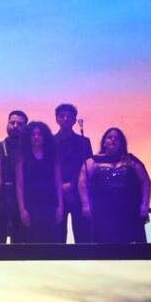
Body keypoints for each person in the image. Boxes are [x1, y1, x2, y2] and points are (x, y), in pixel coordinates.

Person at [79, 129, 151, 244]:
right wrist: (85, 205)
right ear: (104, 142)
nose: (113, 140)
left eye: (117, 138)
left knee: (131, 247)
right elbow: (82, 183)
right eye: (110, 137)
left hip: (129, 211)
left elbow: (145, 182)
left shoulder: (131, 160)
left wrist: (145, 204)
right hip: (102, 212)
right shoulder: (93, 161)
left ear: (122, 142)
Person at [18, 121, 64, 243]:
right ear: (29, 137)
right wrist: (22, 209)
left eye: (39, 134)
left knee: (51, 240)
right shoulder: (22, 157)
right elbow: (20, 185)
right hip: (31, 204)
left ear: (45, 137)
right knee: (33, 241)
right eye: (33, 134)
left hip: (50, 204)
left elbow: (58, 183)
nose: (36, 137)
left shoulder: (53, 156)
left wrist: (60, 206)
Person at [54, 104, 93, 243]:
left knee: (84, 236)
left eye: (69, 116)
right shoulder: (50, 142)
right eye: (62, 116)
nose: (66, 119)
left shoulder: (84, 141)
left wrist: (71, 184)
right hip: (56, 194)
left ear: (74, 120)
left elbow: (87, 166)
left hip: (78, 193)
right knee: (57, 236)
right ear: (57, 119)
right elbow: (49, 167)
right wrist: (60, 185)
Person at [0, 110, 29, 244]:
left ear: (26, 127)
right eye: (12, 122)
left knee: (21, 250)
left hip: (24, 206)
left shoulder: (30, 151)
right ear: (7, 124)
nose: (15, 126)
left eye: (20, 124)